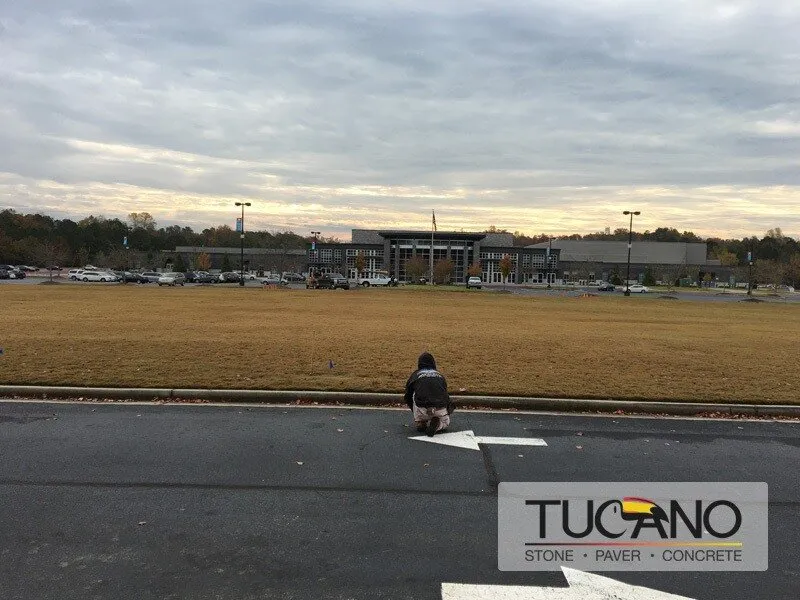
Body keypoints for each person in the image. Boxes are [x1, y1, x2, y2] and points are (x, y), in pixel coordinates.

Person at [404, 352, 453, 436]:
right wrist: (449, 409)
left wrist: (414, 411)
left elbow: (407, 396)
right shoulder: (440, 376)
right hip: (440, 408)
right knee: (446, 423)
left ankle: (420, 421)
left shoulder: (415, 375)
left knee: (414, 392)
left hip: (422, 409)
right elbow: (445, 395)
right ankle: (438, 424)